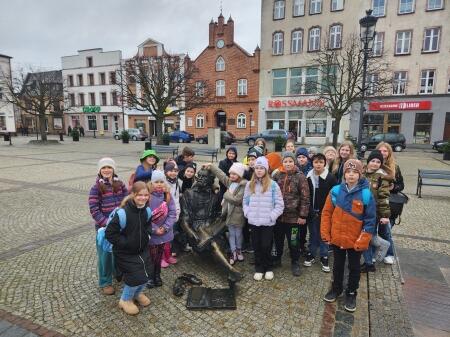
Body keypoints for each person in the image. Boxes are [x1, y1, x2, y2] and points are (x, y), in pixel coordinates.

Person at [321, 159, 376, 313]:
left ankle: (351, 292)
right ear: (344, 174)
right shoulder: (335, 191)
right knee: (337, 265)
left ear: (360, 174)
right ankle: (336, 289)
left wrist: (363, 239)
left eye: (355, 172)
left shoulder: (366, 195)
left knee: (354, 267)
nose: (351, 175)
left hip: (355, 240)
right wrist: (326, 233)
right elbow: (326, 213)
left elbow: (370, 220)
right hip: (337, 238)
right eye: (348, 172)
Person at [105, 181, 152, 315]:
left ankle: (137, 294)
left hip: (141, 249)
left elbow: (148, 226)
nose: (143, 198)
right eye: (140, 195)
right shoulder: (122, 213)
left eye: (146, 195)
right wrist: (126, 243)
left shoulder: (147, 211)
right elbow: (110, 233)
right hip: (124, 252)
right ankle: (125, 300)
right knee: (134, 276)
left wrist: (147, 237)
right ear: (133, 195)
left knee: (147, 272)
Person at [88, 158, 128, 295]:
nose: (106, 170)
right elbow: (94, 209)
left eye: (109, 167)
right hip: (104, 227)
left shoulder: (120, 184)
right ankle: (105, 281)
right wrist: (106, 222)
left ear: (113, 169)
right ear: (99, 170)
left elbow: (126, 201)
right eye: (103, 167)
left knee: (119, 250)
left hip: (119, 225)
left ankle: (118, 272)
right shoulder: (96, 188)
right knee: (105, 254)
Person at [243, 157, 284, 281]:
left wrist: (271, 216)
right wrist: (248, 213)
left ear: (266, 169)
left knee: (266, 245)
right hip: (254, 221)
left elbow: (279, 204)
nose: (259, 170)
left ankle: (268, 267)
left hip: (268, 222)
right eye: (257, 168)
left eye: (262, 168)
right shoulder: (250, 185)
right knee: (256, 245)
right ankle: (259, 268)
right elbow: (245, 201)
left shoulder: (273, 185)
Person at [272, 152, 310, 276]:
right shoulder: (277, 175)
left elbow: (305, 197)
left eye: (290, 161)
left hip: (293, 218)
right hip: (279, 217)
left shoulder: (300, 177)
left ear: (294, 162)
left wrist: (303, 215)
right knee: (278, 240)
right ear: (282, 162)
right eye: (285, 161)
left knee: (293, 241)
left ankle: (295, 262)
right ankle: (277, 259)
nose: (288, 163)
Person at [207, 162, 248, 265]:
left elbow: (237, 200)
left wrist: (226, 194)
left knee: (238, 234)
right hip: (228, 213)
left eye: (235, 174)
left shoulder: (243, 185)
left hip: (238, 214)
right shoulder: (230, 182)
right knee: (231, 234)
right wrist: (211, 166)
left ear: (240, 175)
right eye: (231, 173)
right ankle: (233, 251)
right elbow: (221, 175)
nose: (232, 176)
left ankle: (238, 249)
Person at [304, 153, 337, 272]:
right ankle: (312, 254)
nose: (318, 164)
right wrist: (310, 210)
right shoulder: (308, 177)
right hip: (312, 211)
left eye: (321, 162)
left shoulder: (330, 178)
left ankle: (324, 256)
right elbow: (306, 195)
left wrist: (328, 211)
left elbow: (334, 196)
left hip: (326, 212)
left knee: (324, 234)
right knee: (313, 234)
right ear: (312, 163)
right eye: (316, 162)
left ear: (325, 163)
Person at [361, 150, 391, 273]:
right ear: (368, 162)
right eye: (373, 161)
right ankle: (368, 263)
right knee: (365, 237)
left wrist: (384, 215)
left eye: (378, 162)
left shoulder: (381, 178)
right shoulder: (362, 174)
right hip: (360, 211)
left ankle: (370, 262)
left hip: (373, 214)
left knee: (367, 237)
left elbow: (384, 197)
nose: (375, 164)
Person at [147, 171, 177, 288]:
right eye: (156, 182)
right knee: (151, 255)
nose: (159, 184)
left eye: (161, 182)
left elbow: (172, 212)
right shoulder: (148, 196)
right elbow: (145, 216)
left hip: (164, 231)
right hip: (152, 233)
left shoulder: (167, 195)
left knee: (159, 255)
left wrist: (165, 227)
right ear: (151, 183)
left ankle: (157, 275)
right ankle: (150, 276)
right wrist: (155, 229)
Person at [376, 142, 403, 264]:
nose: (382, 153)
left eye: (385, 151)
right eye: (380, 151)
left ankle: (389, 253)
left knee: (385, 230)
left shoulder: (395, 167)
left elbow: (401, 185)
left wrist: (393, 187)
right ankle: (375, 252)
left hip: (389, 202)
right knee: (373, 230)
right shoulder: (374, 164)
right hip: (376, 201)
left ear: (389, 153)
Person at [162, 161, 182, 267]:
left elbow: (177, 198)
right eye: (170, 171)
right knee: (162, 236)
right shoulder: (163, 182)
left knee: (170, 236)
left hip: (173, 212)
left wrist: (177, 211)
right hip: (164, 212)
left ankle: (168, 255)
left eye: (175, 171)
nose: (173, 173)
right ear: (166, 172)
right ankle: (161, 257)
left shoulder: (177, 182)